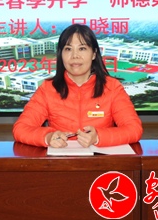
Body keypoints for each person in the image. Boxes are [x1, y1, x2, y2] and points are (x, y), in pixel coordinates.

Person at [13, 24, 143, 148]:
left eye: (82, 48)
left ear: (94, 54)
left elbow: (134, 129)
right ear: (61, 54)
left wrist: (98, 137)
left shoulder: (112, 87)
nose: (75, 56)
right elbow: (20, 129)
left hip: (101, 160)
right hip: (62, 160)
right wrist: (48, 137)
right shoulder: (48, 88)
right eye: (68, 49)